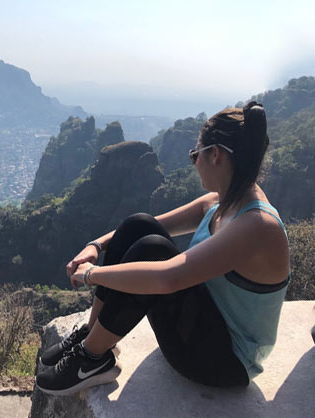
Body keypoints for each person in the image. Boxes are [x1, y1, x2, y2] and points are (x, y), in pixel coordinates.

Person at [36, 101, 291, 396]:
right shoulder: (221, 202)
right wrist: (95, 245)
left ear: (216, 155)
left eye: (196, 154)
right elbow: (148, 225)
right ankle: (92, 339)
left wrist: (91, 275)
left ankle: (90, 360)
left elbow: (168, 278)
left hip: (224, 363)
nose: (193, 162)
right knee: (138, 225)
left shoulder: (257, 226)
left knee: (153, 249)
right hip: (202, 328)